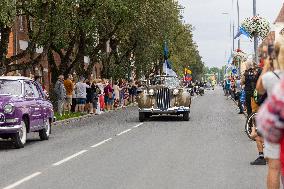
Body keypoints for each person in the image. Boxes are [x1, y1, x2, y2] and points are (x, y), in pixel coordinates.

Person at [256, 39, 284, 188]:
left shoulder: (270, 77)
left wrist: (266, 66)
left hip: (276, 125)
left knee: (274, 167)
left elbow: (259, 89)